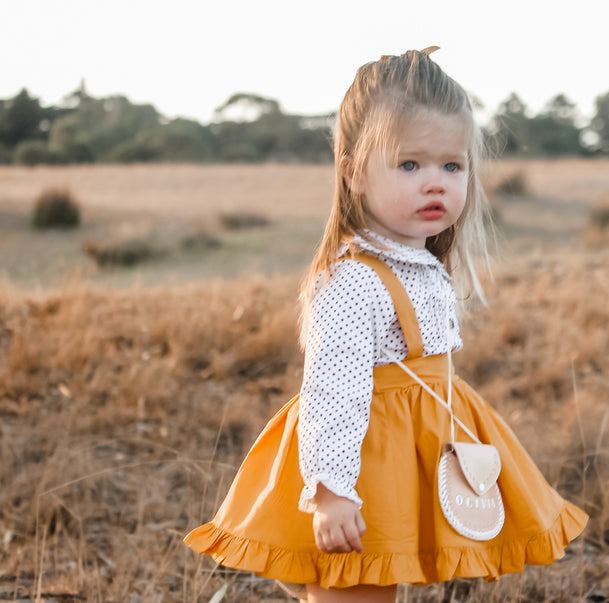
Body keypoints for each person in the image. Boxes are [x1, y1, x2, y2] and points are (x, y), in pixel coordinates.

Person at [184, 47, 588, 602]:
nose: (435, 183)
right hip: (362, 467)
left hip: (407, 452)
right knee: (356, 588)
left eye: (452, 165)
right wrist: (332, 492)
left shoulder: (417, 264)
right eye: (409, 165)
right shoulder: (354, 281)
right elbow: (332, 390)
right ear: (352, 172)